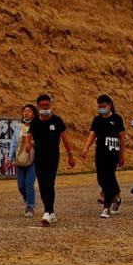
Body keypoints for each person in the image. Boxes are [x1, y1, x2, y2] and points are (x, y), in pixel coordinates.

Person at [28, 93, 76, 224]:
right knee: (42, 184)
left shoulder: (57, 120)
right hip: (39, 157)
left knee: (50, 183)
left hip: (53, 157)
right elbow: (30, 134)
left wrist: (70, 155)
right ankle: (50, 212)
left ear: (51, 105)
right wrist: (28, 144)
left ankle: (48, 211)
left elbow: (65, 139)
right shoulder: (35, 121)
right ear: (38, 106)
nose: (45, 107)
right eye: (42, 105)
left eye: (47, 105)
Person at [83, 94, 126, 218]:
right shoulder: (97, 120)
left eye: (104, 106)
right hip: (100, 154)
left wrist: (122, 155)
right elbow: (92, 134)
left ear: (110, 105)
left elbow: (122, 137)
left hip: (112, 154)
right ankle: (117, 198)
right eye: (100, 106)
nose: (102, 108)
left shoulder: (117, 119)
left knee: (108, 178)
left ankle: (106, 208)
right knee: (101, 179)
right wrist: (86, 147)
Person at [12, 104, 38, 216]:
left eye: (29, 111)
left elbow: (42, 141)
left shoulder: (38, 126)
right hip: (20, 158)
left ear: (34, 114)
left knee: (29, 184)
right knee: (20, 186)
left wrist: (32, 142)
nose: (26, 113)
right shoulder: (18, 127)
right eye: (24, 111)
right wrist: (10, 157)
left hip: (33, 159)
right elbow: (13, 143)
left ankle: (30, 207)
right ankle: (28, 201)